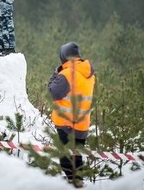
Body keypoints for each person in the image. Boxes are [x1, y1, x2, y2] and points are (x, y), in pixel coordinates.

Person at [47, 42, 96, 188]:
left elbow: (51, 93)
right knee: (76, 157)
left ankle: (73, 185)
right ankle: (78, 183)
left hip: (66, 124)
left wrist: (55, 76)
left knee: (67, 160)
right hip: (82, 124)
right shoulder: (89, 73)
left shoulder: (67, 74)